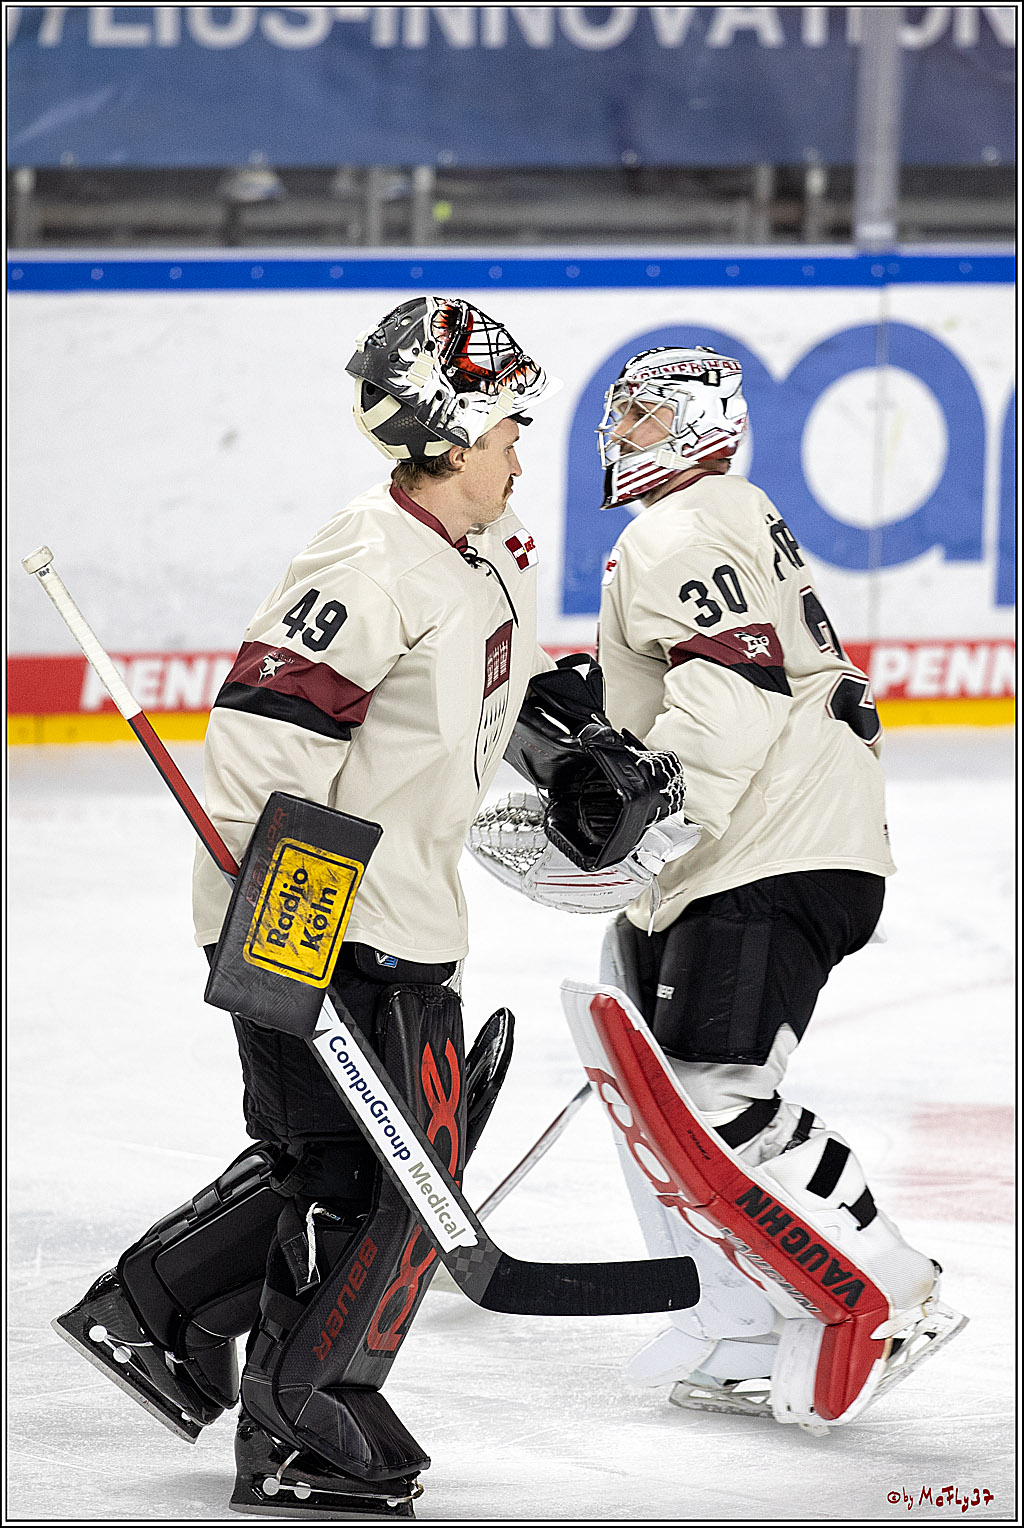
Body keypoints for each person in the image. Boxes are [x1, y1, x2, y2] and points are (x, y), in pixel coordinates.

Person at [52, 298, 688, 1519]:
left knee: (360, 1164)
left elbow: (499, 683)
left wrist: (571, 751)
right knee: (355, 1180)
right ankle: (299, 1433)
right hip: (310, 917)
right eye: (506, 425)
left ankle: (156, 1311)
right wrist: (297, 948)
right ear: (450, 436)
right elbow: (252, 762)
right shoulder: (363, 564)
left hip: (409, 908)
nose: (521, 447)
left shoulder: (490, 546)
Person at [585, 344, 965, 1428]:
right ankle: (745, 1317)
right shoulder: (718, 514)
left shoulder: (682, 524)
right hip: (761, 846)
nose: (625, 436)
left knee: (712, 1089)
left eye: (649, 418)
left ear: (702, 421)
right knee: (674, 1103)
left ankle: (886, 1275)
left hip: (767, 849)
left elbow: (732, 700)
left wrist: (647, 828)